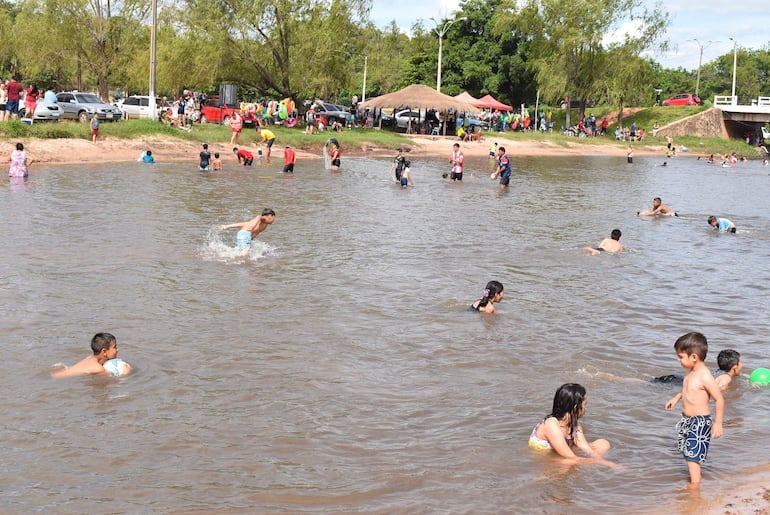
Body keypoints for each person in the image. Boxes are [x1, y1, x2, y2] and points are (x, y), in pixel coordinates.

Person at [664, 332, 724, 486]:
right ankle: (695, 479)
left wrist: (718, 423)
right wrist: (676, 398)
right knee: (687, 452)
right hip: (688, 419)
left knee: (693, 456)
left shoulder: (705, 376)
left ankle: (695, 485)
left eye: (681, 357)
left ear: (694, 357)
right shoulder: (690, 372)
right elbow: (687, 390)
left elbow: (719, 399)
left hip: (700, 421)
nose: (679, 360)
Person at [528, 383, 616, 467]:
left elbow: (588, 450)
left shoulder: (575, 426)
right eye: (585, 405)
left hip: (560, 453)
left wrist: (603, 461)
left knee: (603, 444)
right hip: (545, 459)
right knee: (569, 462)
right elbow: (571, 457)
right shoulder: (551, 424)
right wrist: (602, 463)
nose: (586, 409)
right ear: (575, 408)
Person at [51, 333, 131, 378]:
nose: (117, 350)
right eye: (114, 347)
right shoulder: (98, 369)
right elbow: (110, 383)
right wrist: (126, 373)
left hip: (56, 375)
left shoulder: (90, 358)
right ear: (104, 351)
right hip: (59, 379)